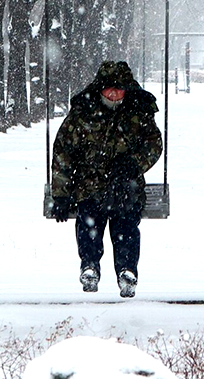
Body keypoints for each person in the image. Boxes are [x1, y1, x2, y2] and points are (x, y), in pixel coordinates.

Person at [50, 60, 163, 298]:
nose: (113, 93)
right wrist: (61, 193)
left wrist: (133, 165)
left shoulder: (138, 111)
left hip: (125, 184)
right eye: (109, 88)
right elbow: (63, 151)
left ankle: (127, 270)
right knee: (89, 218)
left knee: (126, 221)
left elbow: (153, 145)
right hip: (89, 184)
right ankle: (90, 266)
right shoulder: (83, 112)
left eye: (119, 88)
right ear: (99, 88)